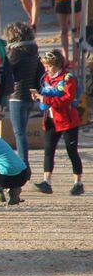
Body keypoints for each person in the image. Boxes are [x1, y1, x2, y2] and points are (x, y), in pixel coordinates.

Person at [32, 49, 83, 196]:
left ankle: (78, 183)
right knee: (48, 150)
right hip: (51, 119)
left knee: (71, 151)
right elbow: (47, 95)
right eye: (45, 66)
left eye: (49, 66)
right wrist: (39, 97)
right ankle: (46, 182)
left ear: (58, 65)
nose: (46, 69)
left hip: (67, 121)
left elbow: (66, 99)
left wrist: (45, 99)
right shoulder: (47, 79)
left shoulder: (68, 78)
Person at [3, 22, 41, 168]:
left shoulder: (15, 53)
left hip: (17, 96)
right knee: (22, 131)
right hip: (30, 96)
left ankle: (23, 164)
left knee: (19, 133)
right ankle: (24, 161)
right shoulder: (33, 51)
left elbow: (7, 72)